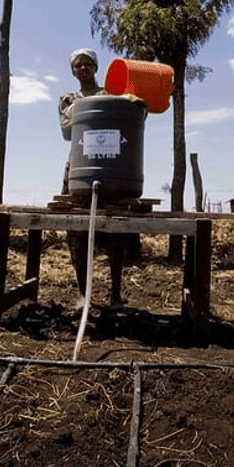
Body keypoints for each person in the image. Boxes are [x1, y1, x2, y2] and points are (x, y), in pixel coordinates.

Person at [59, 48, 136, 309]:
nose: (83, 69)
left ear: (96, 67)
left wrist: (134, 101)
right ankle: (84, 295)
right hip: (80, 169)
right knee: (77, 234)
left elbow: (130, 117)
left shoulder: (112, 94)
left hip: (111, 166)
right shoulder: (68, 99)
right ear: (73, 70)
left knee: (116, 234)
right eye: (78, 65)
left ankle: (115, 295)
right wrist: (86, 110)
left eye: (87, 64)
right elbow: (68, 133)